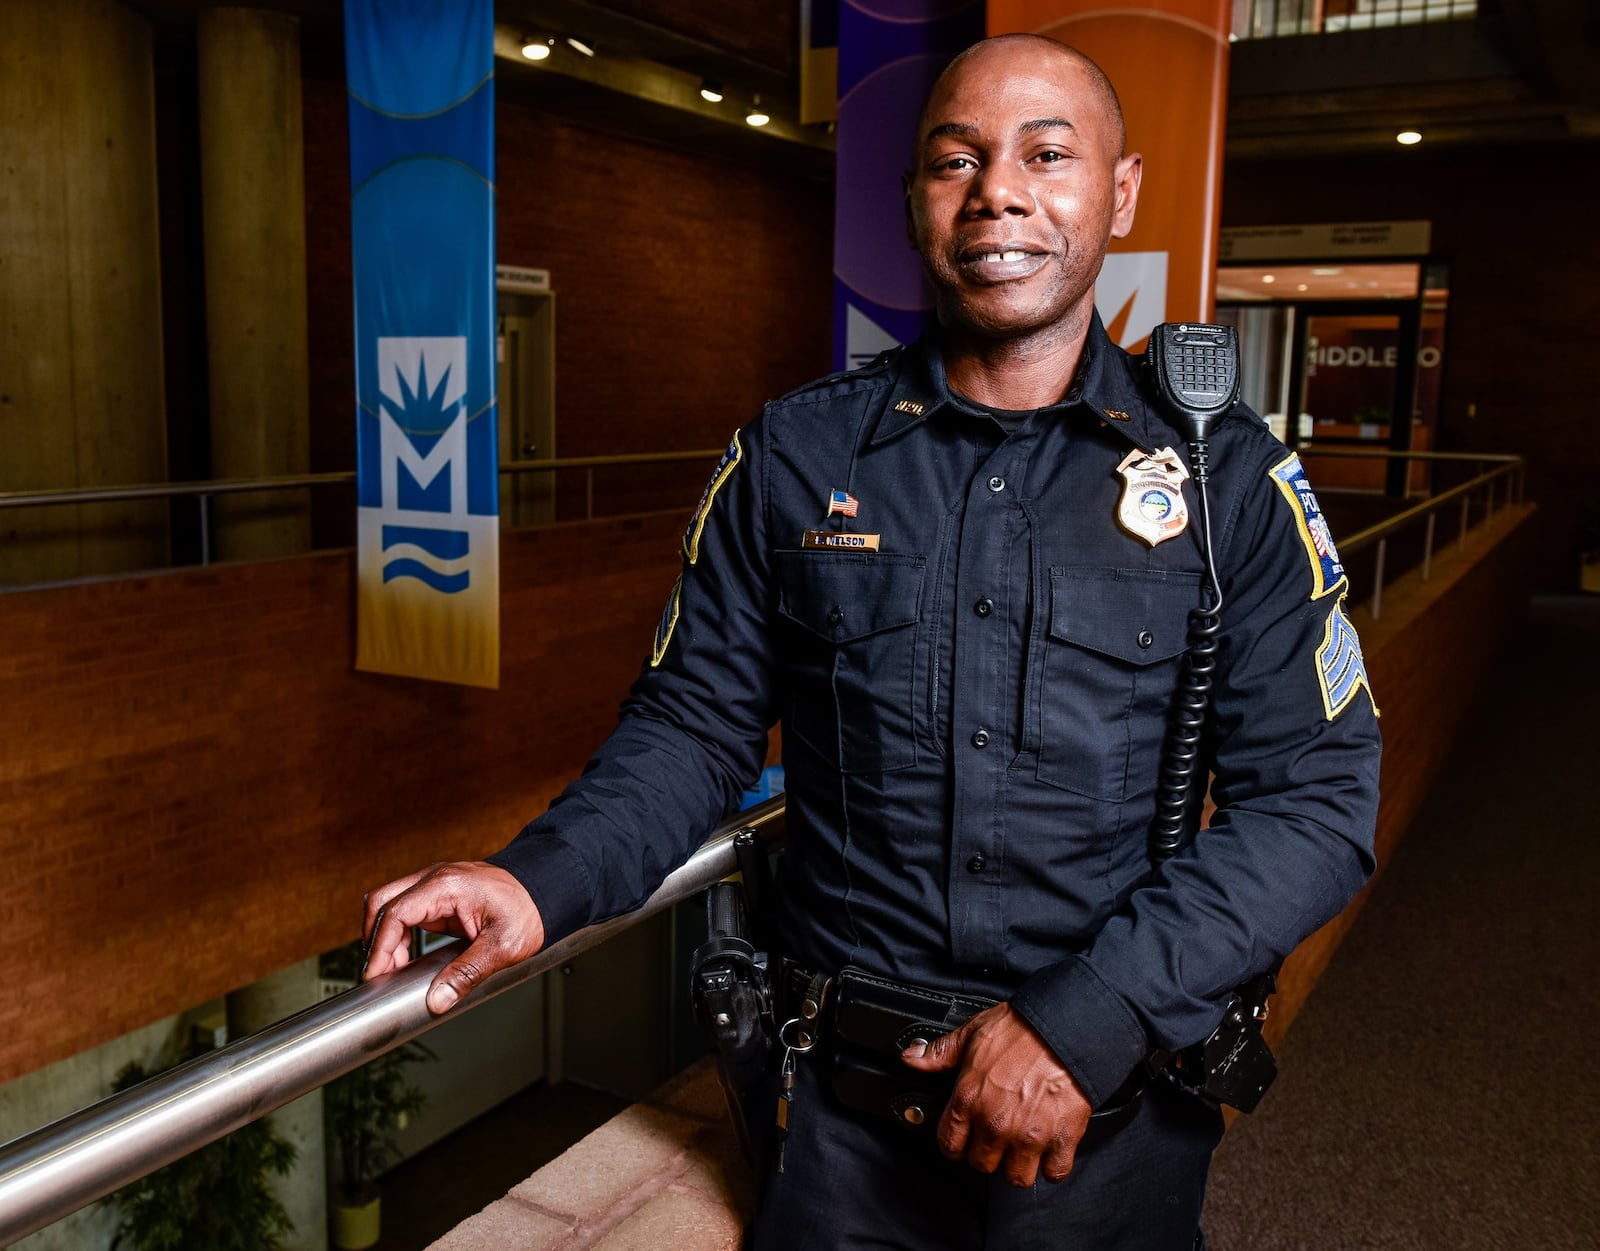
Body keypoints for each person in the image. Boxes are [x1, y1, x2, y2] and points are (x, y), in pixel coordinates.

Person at [362, 34, 1381, 1250]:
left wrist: (1085, 1021)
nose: (997, 189)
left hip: (1104, 1126)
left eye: (1046, 155)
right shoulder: (794, 461)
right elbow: (692, 729)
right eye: (956, 159)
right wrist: (538, 877)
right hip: (840, 1135)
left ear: (1117, 194)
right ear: (913, 204)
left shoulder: (1229, 482)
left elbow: (1316, 800)